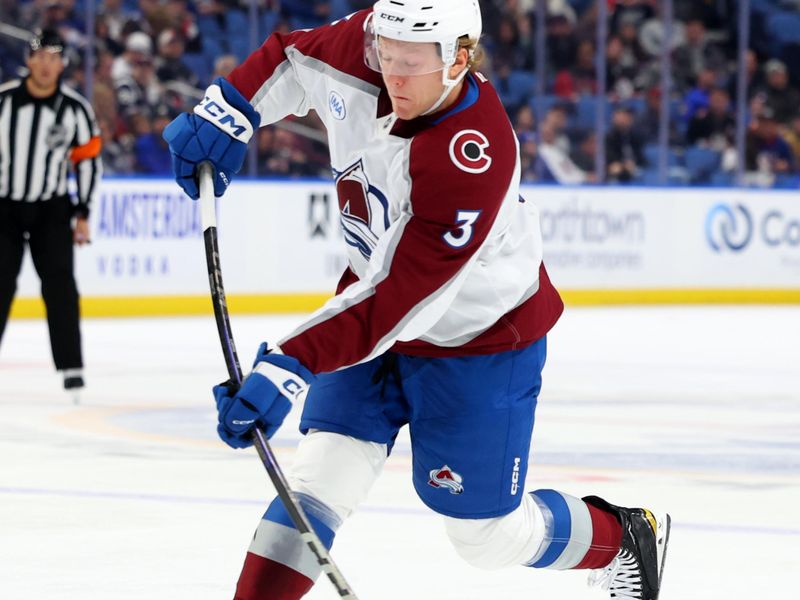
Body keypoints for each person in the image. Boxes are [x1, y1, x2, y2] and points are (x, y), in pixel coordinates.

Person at [163, 2, 671, 599]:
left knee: (486, 538)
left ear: (460, 57)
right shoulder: (367, 46)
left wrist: (292, 362)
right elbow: (291, 58)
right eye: (385, 55)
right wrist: (229, 109)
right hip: (369, 312)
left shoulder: (472, 152)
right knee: (317, 482)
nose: (392, 76)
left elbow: (404, 293)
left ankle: (625, 535)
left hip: (477, 341)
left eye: (411, 63)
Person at [0, 29, 101, 393]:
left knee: (60, 287)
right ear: (28, 61)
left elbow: (88, 163)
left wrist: (83, 213)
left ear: (62, 64)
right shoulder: (3, 101)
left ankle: (70, 366)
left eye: (53, 57)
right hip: (4, 207)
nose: (46, 64)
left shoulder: (75, 109)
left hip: (51, 209)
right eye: (39, 56)